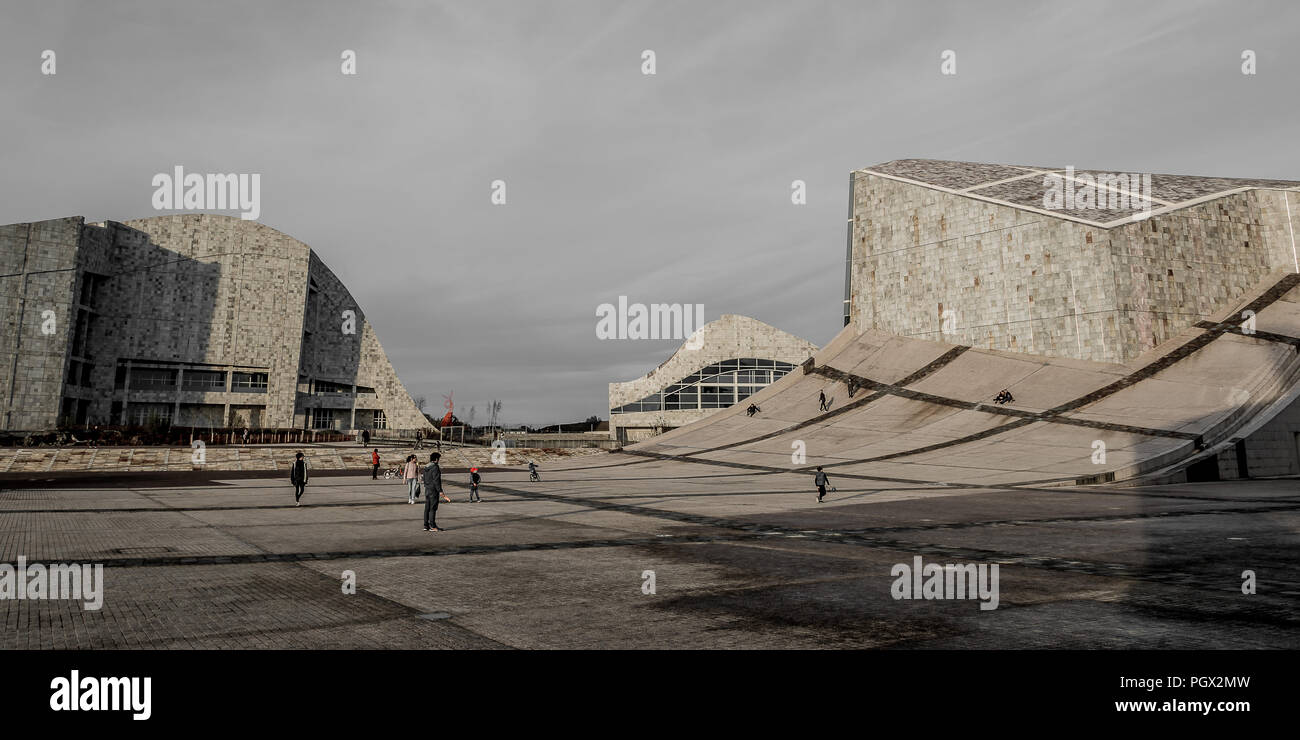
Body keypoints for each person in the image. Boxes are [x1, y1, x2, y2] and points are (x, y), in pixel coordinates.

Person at [422, 452, 450, 531]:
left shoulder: (426, 467)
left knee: (427, 507)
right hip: (433, 490)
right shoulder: (435, 467)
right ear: (437, 459)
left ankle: (426, 525)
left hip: (427, 489)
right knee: (433, 508)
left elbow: (423, 477)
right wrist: (440, 491)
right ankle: (433, 526)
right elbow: (436, 480)